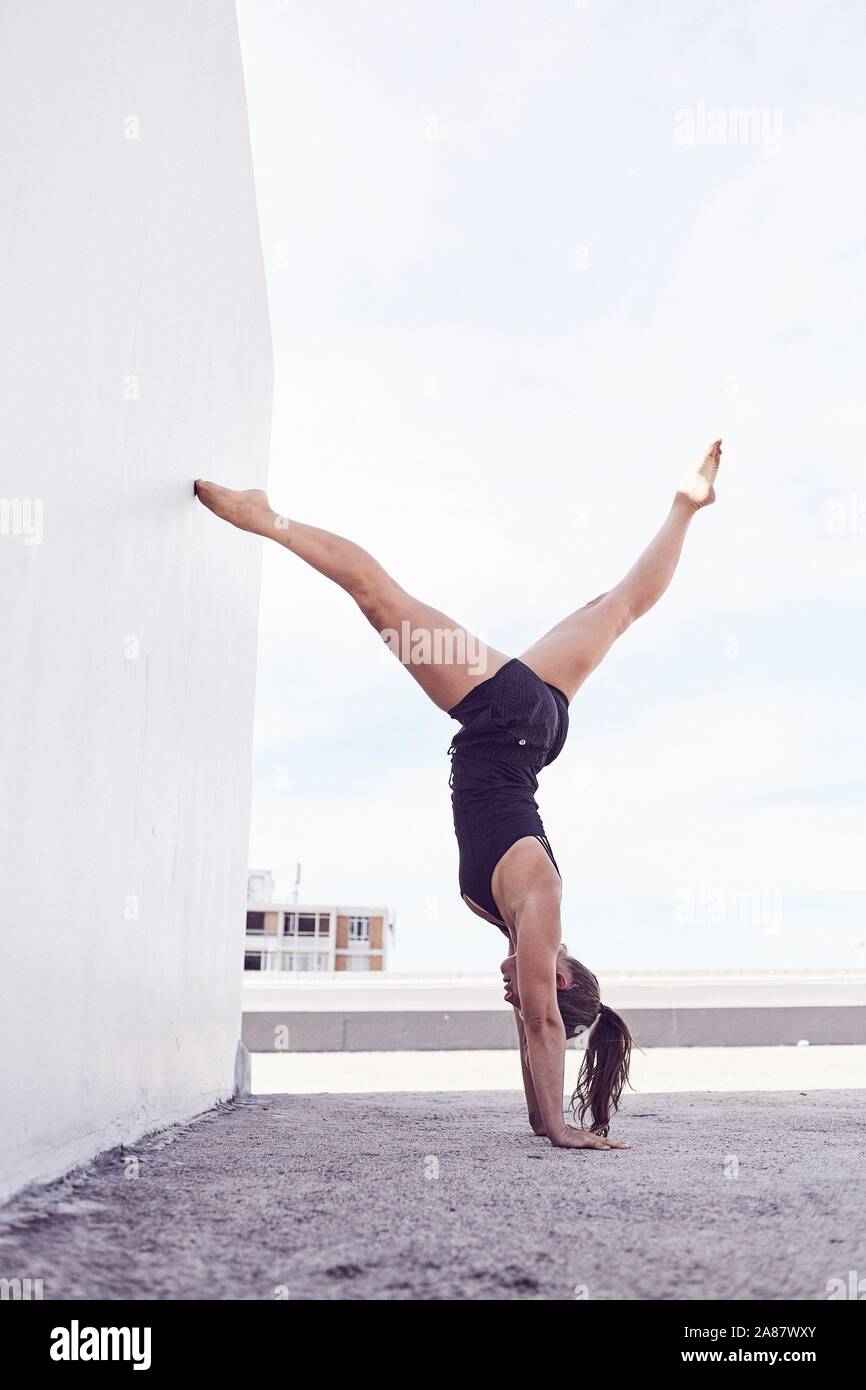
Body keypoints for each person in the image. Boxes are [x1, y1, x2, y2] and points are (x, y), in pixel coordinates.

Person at [195, 439, 722, 1151]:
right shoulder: (541, 908)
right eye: (531, 989)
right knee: (380, 597)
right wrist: (558, 1127)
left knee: (618, 606)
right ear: (559, 973)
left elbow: (531, 1024)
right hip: (503, 717)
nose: (512, 994)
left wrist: (545, 1122)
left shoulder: (511, 917)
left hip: (530, 728)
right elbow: (538, 1023)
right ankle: (268, 519)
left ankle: (685, 506)